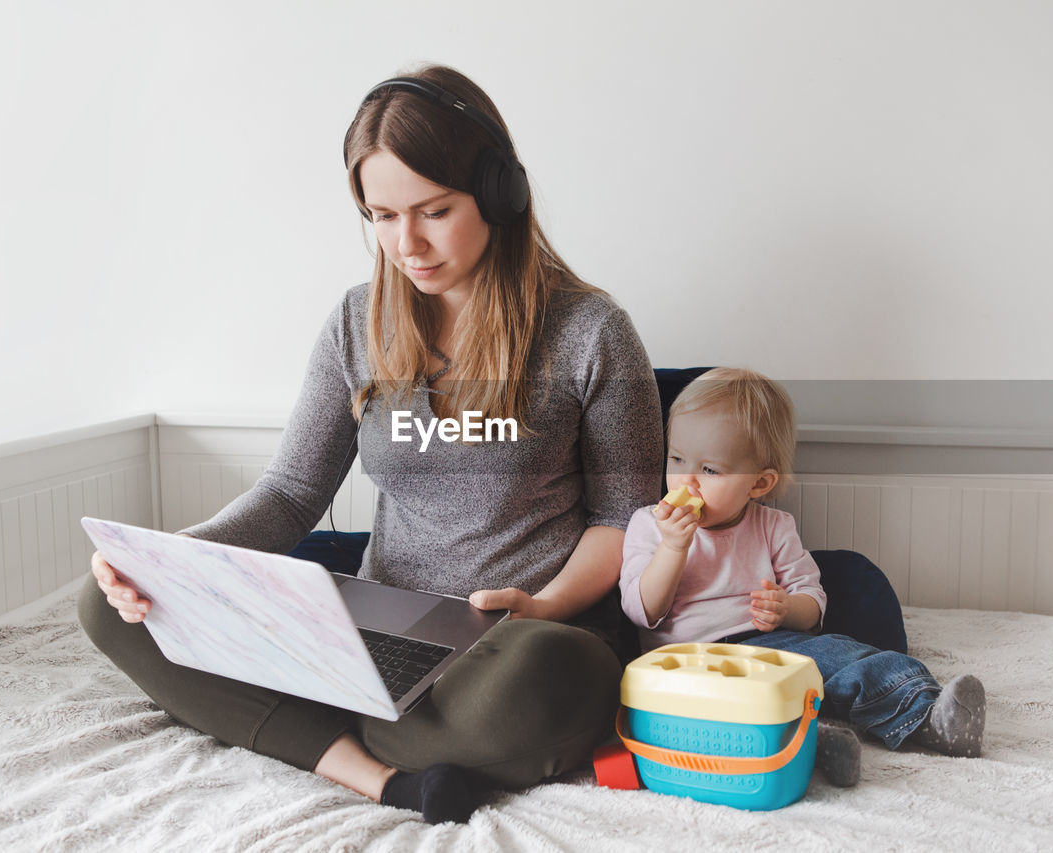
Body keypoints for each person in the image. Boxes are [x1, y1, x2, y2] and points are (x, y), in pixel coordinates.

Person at [80, 64, 663, 825]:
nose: (405, 243)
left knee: (552, 672)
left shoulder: (592, 331)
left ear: (500, 193)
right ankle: (384, 774)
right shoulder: (357, 323)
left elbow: (628, 518)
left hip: (519, 644)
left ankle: (315, 726)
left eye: (433, 210)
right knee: (108, 602)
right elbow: (291, 493)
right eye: (381, 216)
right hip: (376, 635)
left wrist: (544, 605)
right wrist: (175, 561)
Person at [619, 367, 986, 772]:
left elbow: (813, 603)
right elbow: (642, 611)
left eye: (710, 471)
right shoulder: (650, 524)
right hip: (683, 664)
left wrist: (786, 608)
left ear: (759, 484)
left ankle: (926, 714)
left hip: (769, 651)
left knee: (841, 657)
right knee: (713, 714)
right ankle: (811, 746)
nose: (686, 479)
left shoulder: (773, 528)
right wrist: (673, 546)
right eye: (677, 458)